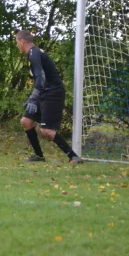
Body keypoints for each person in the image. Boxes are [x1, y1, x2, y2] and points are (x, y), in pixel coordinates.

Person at [15, 30, 82, 163]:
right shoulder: (33, 53)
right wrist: (33, 97)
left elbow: (41, 78)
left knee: (46, 130)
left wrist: (33, 97)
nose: (17, 45)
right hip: (44, 92)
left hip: (53, 92)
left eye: (17, 42)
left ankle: (73, 156)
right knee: (26, 121)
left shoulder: (34, 54)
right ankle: (39, 156)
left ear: (22, 41)